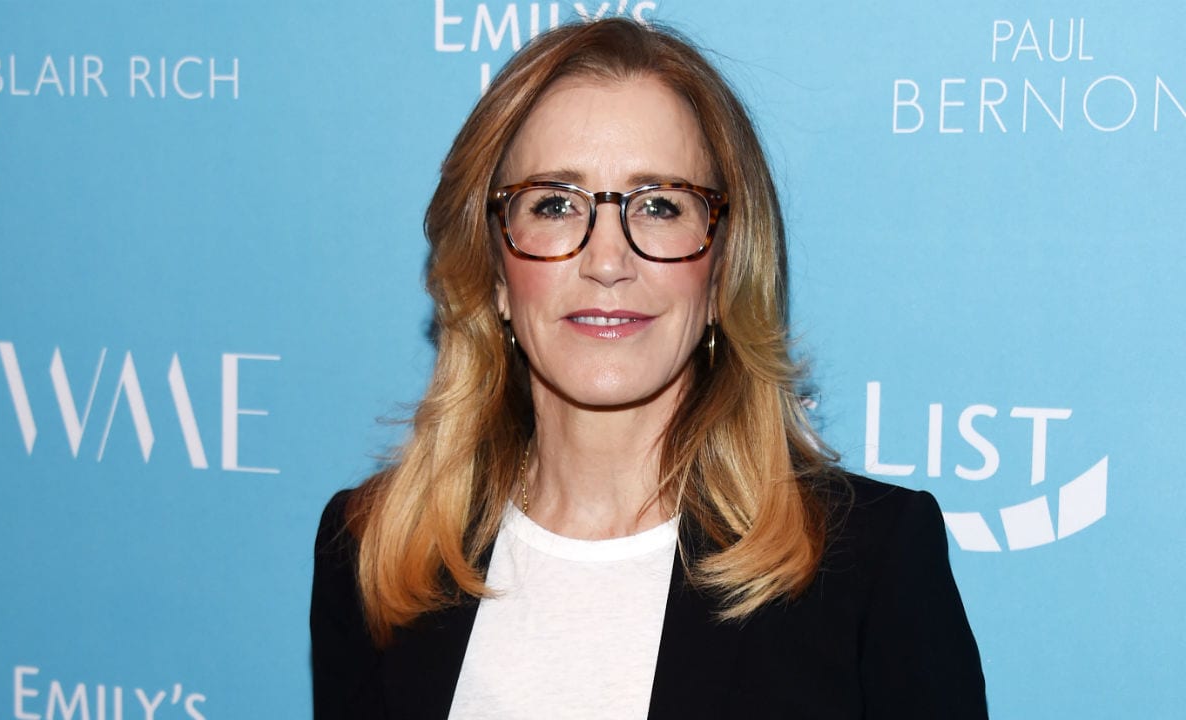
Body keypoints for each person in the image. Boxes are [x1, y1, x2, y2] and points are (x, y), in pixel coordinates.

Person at [311, 17, 987, 720]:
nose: (607, 261)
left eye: (660, 206)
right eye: (554, 204)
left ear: (723, 268)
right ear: (495, 272)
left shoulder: (867, 567)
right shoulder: (374, 551)